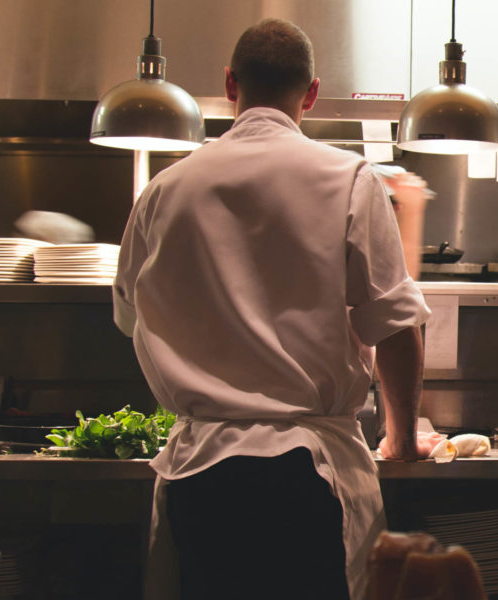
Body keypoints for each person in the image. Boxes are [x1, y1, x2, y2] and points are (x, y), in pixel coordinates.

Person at [112, 19, 430, 600]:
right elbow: (396, 326)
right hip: (308, 478)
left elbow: (132, 318)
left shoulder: (164, 189)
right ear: (311, 93)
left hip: (199, 477)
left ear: (230, 83)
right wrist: (403, 441)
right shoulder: (350, 179)